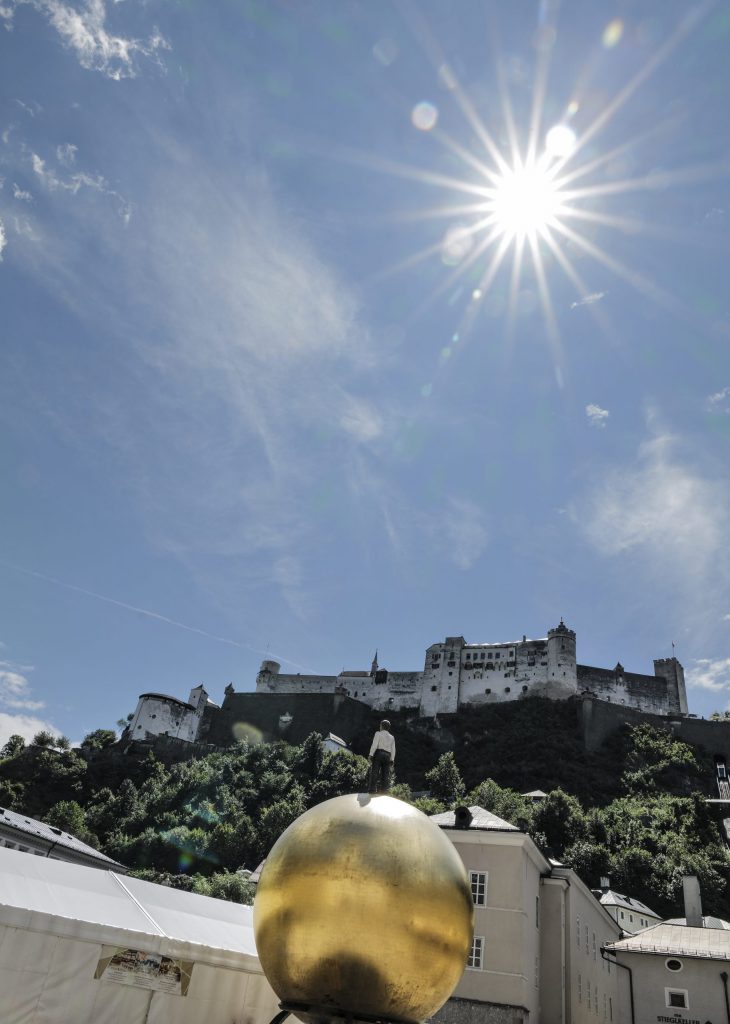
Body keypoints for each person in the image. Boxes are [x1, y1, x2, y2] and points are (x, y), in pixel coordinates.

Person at [369, 719, 395, 794]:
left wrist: (371, 754)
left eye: (380, 725)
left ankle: (372, 789)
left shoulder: (378, 733)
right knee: (385, 774)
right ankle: (384, 791)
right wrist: (392, 759)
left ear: (381, 726)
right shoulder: (392, 737)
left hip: (379, 753)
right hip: (388, 755)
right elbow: (393, 749)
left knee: (375, 771)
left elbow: (374, 744)